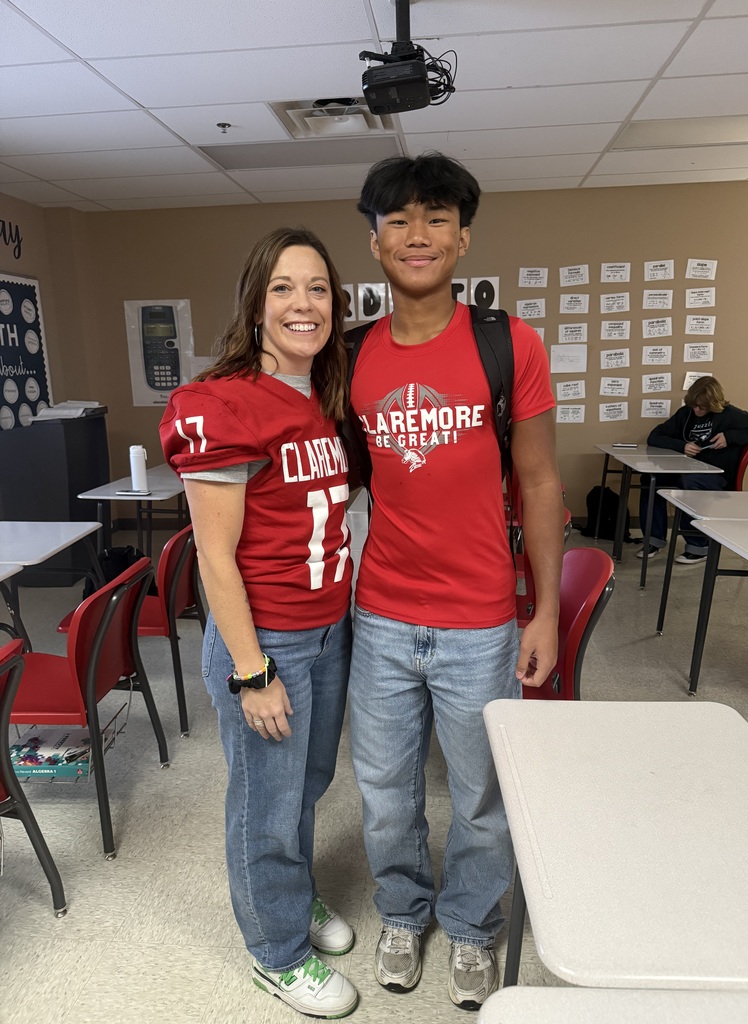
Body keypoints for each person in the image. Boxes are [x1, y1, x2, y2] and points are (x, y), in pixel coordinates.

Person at [346, 153, 563, 1009]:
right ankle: (404, 913)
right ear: (374, 242)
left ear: (463, 239)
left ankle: (472, 925)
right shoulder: (351, 356)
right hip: (381, 617)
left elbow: (539, 482)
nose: (418, 235)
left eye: (436, 218)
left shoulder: (509, 345)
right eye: (398, 220)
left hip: (479, 620)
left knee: (480, 795)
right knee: (385, 793)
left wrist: (544, 612)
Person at [159, 227, 358, 1020]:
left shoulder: (322, 394)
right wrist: (252, 671)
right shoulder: (223, 401)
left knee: (307, 785)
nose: (302, 303)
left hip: (328, 629)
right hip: (267, 641)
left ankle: (292, 895)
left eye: (317, 288)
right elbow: (214, 559)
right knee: (266, 805)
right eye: (282, 287)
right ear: (254, 303)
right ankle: (276, 953)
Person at [638, 375, 748, 564]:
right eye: (694, 406)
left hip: (717, 476)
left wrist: (730, 437)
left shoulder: (731, 415)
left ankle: (698, 546)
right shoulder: (686, 414)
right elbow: (655, 436)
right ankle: (654, 540)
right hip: (686, 470)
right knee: (650, 480)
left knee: (690, 483)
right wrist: (682, 446)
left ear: (714, 404)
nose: (697, 410)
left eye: (702, 407)